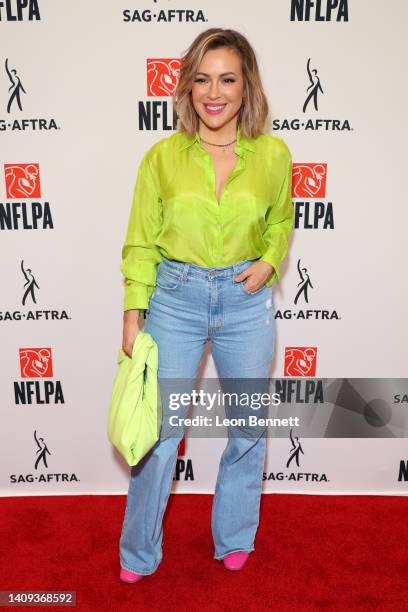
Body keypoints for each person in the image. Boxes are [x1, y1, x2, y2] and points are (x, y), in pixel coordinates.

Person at [118, 27, 294, 583]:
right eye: (201, 79)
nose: (213, 92)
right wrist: (132, 309)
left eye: (227, 79)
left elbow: (282, 219)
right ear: (188, 88)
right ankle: (138, 552)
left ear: (247, 88)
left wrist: (268, 259)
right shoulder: (162, 158)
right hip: (175, 299)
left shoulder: (273, 154)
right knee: (159, 434)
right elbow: (141, 240)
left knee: (246, 427)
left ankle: (235, 536)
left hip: (244, 303)